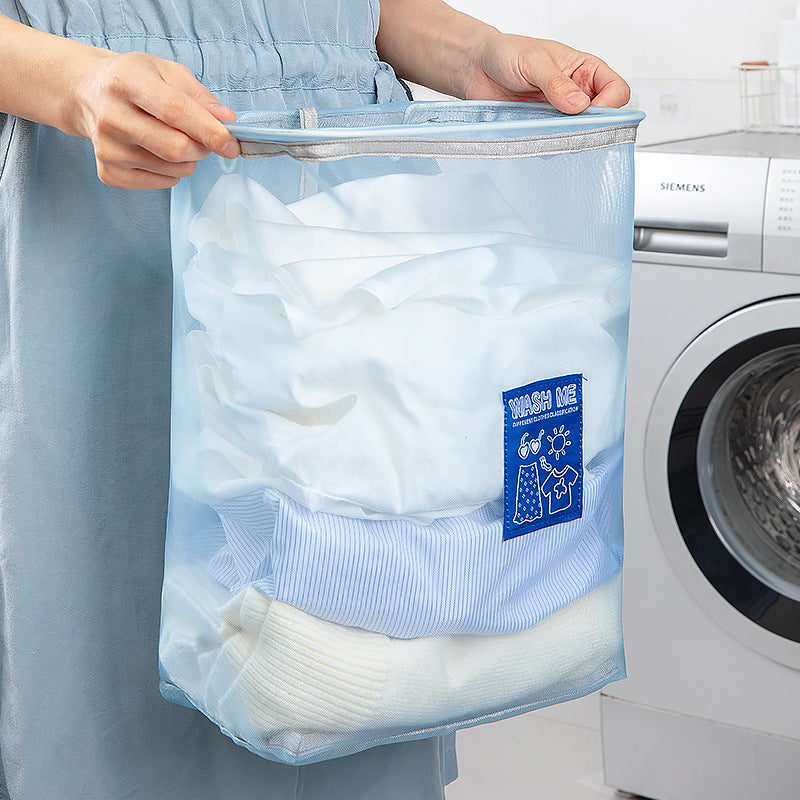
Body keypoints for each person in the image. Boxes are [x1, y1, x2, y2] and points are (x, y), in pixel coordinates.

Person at [0, 1, 630, 798]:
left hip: (356, 184)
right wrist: (73, 82)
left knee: (376, 659)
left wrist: (477, 53)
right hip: (117, 169)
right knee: (113, 679)